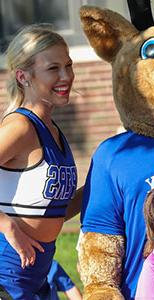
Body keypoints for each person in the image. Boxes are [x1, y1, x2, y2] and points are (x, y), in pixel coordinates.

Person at [0, 24, 78, 298]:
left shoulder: (52, 130)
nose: (66, 76)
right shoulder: (21, 127)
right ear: (23, 76)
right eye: (53, 68)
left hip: (35, 275)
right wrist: (6, 225)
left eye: (68, 66)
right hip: (6, 273)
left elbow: (53, 211)